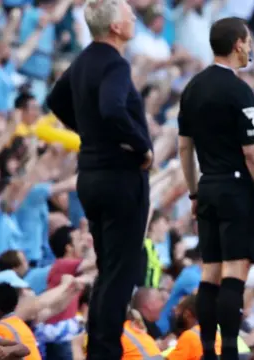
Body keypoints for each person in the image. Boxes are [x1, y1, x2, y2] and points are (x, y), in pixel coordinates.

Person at [45, 0, 154, 358]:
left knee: (109, 270)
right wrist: (140, 147)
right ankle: (105, 351)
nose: (134, 17)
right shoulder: (115, 64)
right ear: (115, 28)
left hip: (91, 176)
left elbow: (56, 100)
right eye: (129, 14)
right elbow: (111, 107)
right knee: (120, 273)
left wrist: (89, 133)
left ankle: (100, 349)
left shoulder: (83, 61)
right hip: (120, 178)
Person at [177, 16, 254, 360]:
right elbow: (253, 152)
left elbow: (184, 148)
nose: (250, 47)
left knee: (210, 271)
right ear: (238, 44)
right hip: (236, 190)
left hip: (206, 186)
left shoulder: (192, 87)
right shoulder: (240, 90)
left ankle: (208, 351)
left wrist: (193, 192)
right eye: (248, 41)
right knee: (234, 272)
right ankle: (229, 353)